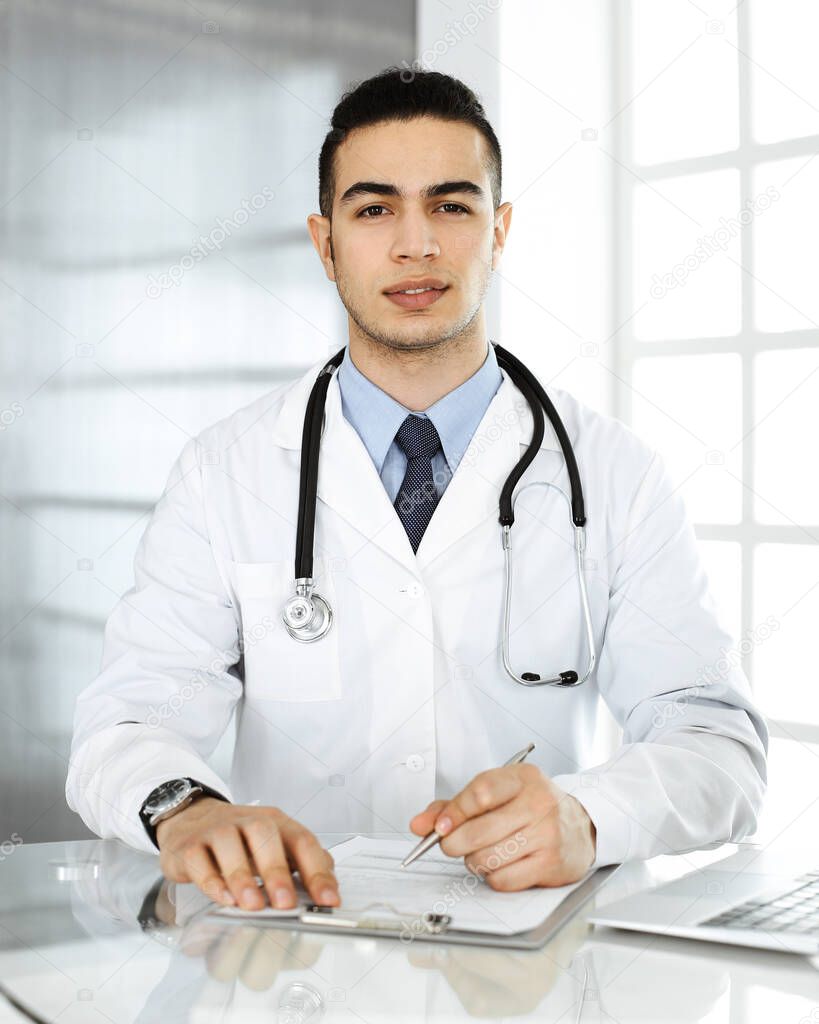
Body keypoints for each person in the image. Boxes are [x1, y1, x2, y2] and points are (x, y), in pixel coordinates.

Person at [66, 68, 768, 915]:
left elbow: (717, 743)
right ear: (325, 245)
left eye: (450, 205)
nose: (414, 245)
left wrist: (590, 813)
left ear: (498, 230)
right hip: (295, 954)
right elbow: (128, 722)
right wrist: (185, 808)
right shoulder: (226, 472)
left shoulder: (615, 471)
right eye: (372, 209)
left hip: (531, 966)